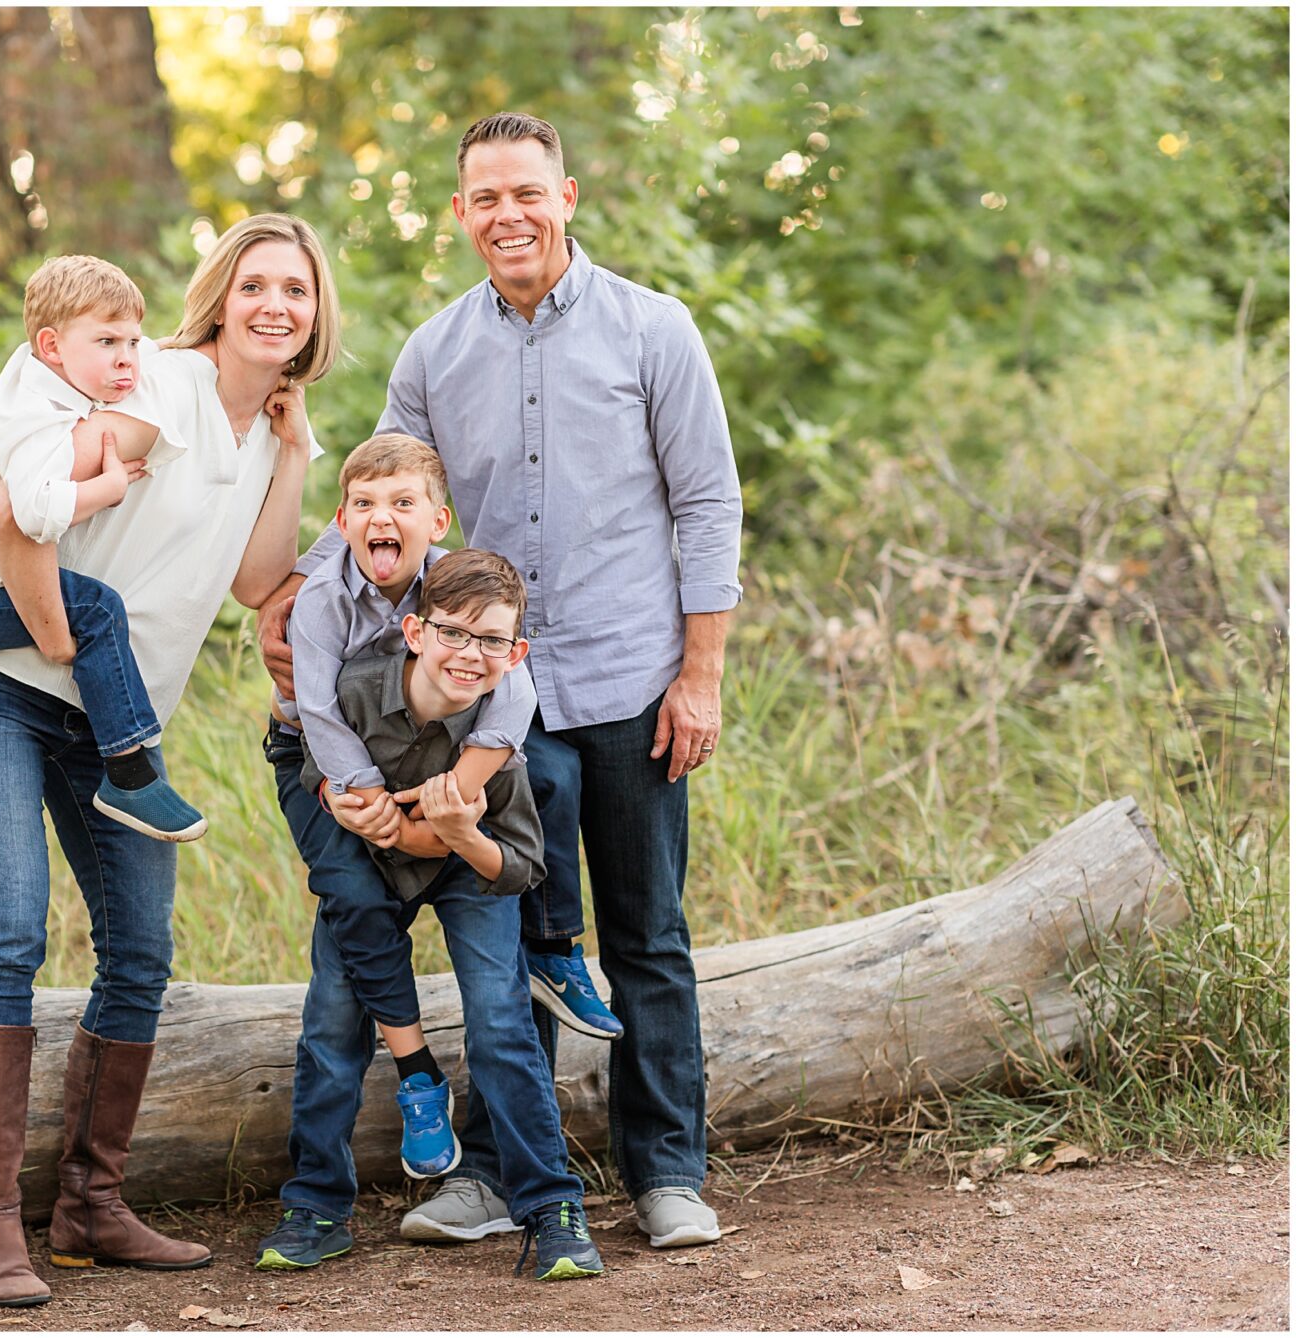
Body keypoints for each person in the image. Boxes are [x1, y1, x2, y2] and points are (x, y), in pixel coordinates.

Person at [259, 111, 743, 1251]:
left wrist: (701, 673)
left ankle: (665, 1170)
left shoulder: (651, 329)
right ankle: (489, 1175)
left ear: (565, 198)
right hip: (481, 703)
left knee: (642, 935)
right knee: (501, 940)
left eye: (526, 192)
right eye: (484, 198)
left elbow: (708, 503)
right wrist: (302, 591)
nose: (507, 215)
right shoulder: (433, 352)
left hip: (628, 682)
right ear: (462, 212)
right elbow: (386, 502)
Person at [0, 214, 340, 1307]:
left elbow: (256, 580)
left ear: (315, 312)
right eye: (254, 287)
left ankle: (91, 1207)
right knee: (9, 926)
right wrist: (53, 637)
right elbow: (16, 508)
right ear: (220, 300)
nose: (275, 306)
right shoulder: (165, 387)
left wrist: (292, 448)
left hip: (113, 719)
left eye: (296, 289)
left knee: (139, 948)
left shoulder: (262, 429)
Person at [256, 549, 604, 1282]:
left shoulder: (499, 746)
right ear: (414, 631)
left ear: (517, 655)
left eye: (492, 642)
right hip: (371, 865)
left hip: (465, 870)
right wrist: (363, 812)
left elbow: (519, 870)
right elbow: (318, 773)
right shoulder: (352, 695)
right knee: (330, 1021)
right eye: (454, 633)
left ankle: (552, 1209)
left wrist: (458, 834)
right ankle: (316, 1203)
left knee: (501, 1022)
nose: (470, 655)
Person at [278, 431, 548, 1178]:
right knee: (354, 911)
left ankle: (558, 945)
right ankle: (394, 1100)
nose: (380, 517)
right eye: (362, 503)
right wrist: (360, 797)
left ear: (438, 521)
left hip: (441, 760)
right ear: (340, 521)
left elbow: (513, 687)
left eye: (402, 502)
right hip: (327, 756)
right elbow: (318, 712)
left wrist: (450, 803)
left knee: (546, 778)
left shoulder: (456, 592)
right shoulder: (325, 597)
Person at [0, 255, 207, 842]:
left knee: (93, 608)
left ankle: (126, 768)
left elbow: (143, 352)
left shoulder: (50, 372)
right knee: (98, 609)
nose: (127, 358)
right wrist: (104, 488)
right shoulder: (32, 415)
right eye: (107, 342)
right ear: (52, 344)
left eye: (131, 340)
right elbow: (29, 511)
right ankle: (130, 776)